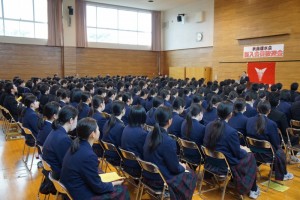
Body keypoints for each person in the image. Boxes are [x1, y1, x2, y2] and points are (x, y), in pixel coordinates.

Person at [60, 117, 130, 200]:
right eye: (98, 129)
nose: (99, 131)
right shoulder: (88, 155)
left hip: (72, 188)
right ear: (92, 134)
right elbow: (98, 187)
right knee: (122, 190)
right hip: (80, 194)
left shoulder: (76, 145)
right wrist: (112, 184)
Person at [204, 101, 260, 199]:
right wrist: (245, 150)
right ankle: (253, 189)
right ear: (230, 115)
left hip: (210, 161)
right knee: (250, 156)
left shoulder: (209, 125)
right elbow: (237, 154)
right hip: (225, 164)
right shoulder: (231, 132)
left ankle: (234, 182)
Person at [143, 106, 197, 200]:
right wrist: (182, 167)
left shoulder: (150, 134)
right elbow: (175, 168)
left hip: (147, 175)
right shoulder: (168, 141)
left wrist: (177, 164)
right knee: (191, 175)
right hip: (160, 179)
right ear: (169, 121)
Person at [246, 100, 294, 181]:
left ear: (257, 109)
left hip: (253, 153)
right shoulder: (271, 124)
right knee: (280, 151)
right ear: (269, 111)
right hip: (268, 156)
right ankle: (283, 174)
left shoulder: (249, 120)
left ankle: (277, 171)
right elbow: (276, 143)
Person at [42, 105, 78, 179]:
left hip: (51, 171)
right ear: (71, 120)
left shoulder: (55, 130)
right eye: (77, 119)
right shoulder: (63, 139)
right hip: (58, 175)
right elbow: (68, 164)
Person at [121, 105, 148, 177]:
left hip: (126, 162)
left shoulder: (126, 127)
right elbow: (144, 152)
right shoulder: (142, 133)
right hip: (136, 166)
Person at [102, 101, 125, 165]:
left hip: (106, 152)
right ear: (122, 111)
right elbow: (121, 144)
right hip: (115, 157)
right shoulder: (121, 127)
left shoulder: (108, 122)